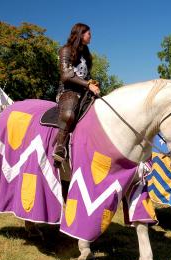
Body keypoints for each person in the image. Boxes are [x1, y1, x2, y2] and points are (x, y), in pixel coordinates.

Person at [53, 23, 100, 168]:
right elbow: (66, 75)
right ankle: (60, 147)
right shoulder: (66, 50)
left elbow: (86, 74)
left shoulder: (86, 54)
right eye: (88, 33)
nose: (90, 36)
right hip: (68, 91)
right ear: (80, 34)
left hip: (85, 92)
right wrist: (87, 85)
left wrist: (93, 83)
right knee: (69, 114)